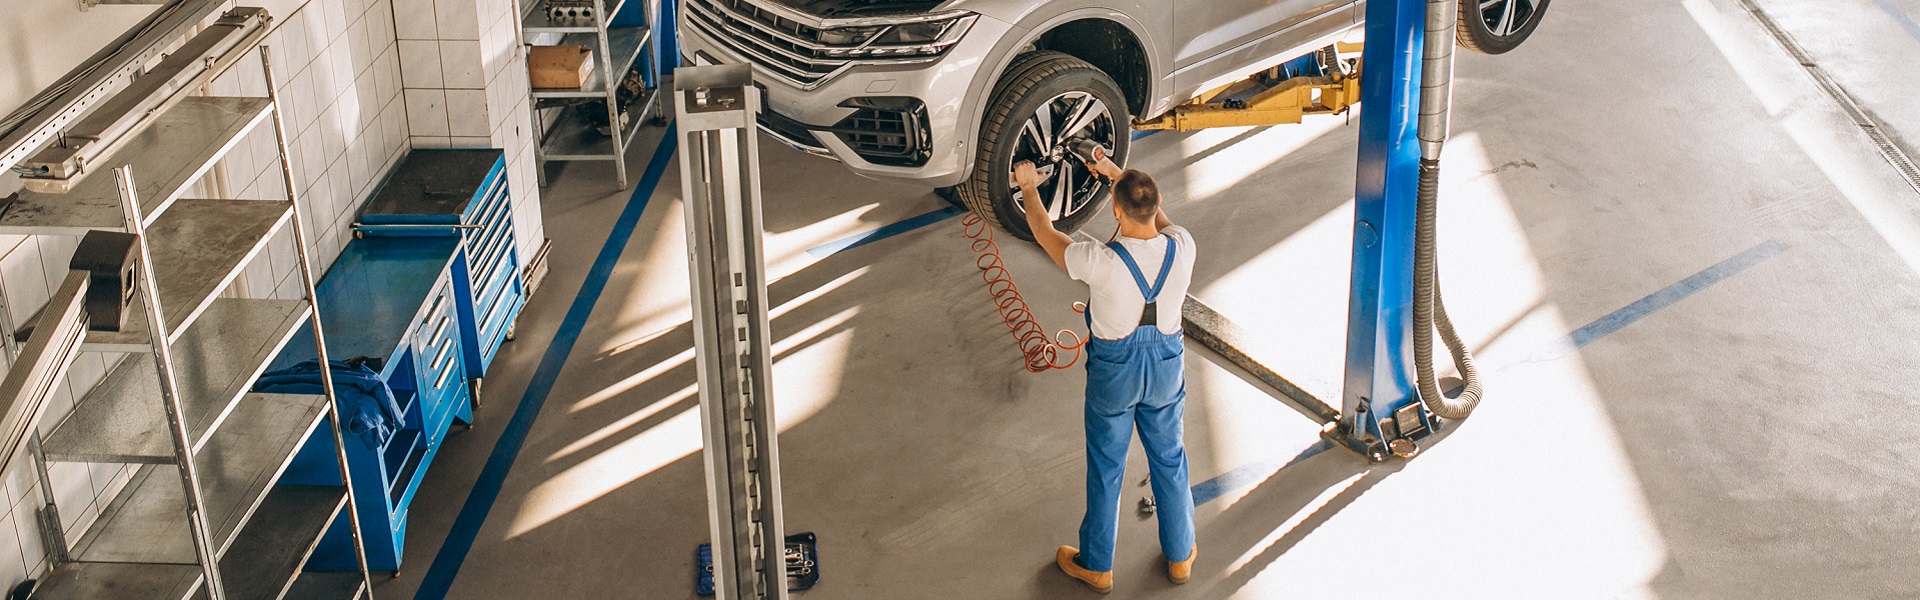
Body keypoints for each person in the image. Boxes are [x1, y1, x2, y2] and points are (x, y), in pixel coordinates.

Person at [1013, 150, 1197, 594]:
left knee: (1107, 466)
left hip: (1116, 374)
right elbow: (1161, 221)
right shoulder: (1183, 246)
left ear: (1115, 211)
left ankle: (1096, 565)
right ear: (1154, 204)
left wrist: (1028, 187)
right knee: (1169, 458)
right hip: (1166, 367)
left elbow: (1044, 233)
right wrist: (1119, 177)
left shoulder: (1101, 261)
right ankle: (1180, 557)